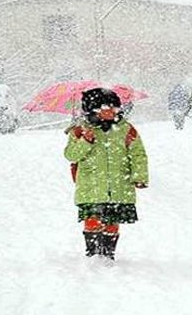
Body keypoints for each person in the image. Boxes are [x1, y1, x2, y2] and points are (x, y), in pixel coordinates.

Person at [64, 88, 149, 261]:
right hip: (91, 186)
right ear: (93, 109)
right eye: (106, 107)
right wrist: (85, 141)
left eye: (114, 107)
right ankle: (93, 253)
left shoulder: (126, 129)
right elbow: (71, 155)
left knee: (112, 220)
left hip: (119, 185)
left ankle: (108, 252)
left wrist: (139, 176)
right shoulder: (80, 130)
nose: (111, 111)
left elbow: (138, 154)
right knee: (93, 218)